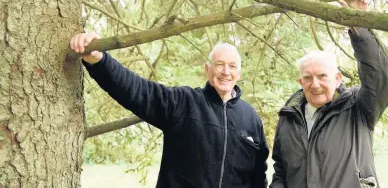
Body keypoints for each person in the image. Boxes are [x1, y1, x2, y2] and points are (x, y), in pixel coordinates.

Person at [69, 35, 269, 188]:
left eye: (232, 66)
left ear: (239, 73)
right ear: (207, 69)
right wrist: (99, 59)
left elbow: (258, 177)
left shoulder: (251, 119)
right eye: (219, 65)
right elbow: (135, 89)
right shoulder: (182, 102)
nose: (226, 72)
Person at [269, 0, 388, 188]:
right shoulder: (288, 118)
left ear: (338, 78)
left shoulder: (358, 108)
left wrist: (359, 25)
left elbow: (382, 81)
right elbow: (281, 171)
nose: (316, 84)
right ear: (300, 82)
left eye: (322, 76)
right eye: (308, 78)